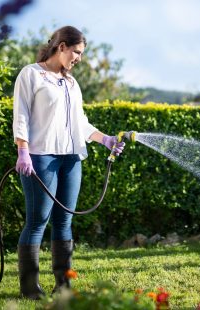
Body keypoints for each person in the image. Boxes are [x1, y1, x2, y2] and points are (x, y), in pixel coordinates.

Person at [12, 26, 125, 299]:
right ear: (61, 47)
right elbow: (22, 114)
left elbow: (81, 122)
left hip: (72, 157)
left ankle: (63, 285)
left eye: (81, 54)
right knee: (38, 219)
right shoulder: (31, 74)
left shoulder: (72, 83)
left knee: (65, 221)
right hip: (40, 157)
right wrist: (23, 150)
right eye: (76, 52)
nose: (79, 58)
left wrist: (104, 139)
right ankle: (29, 288)